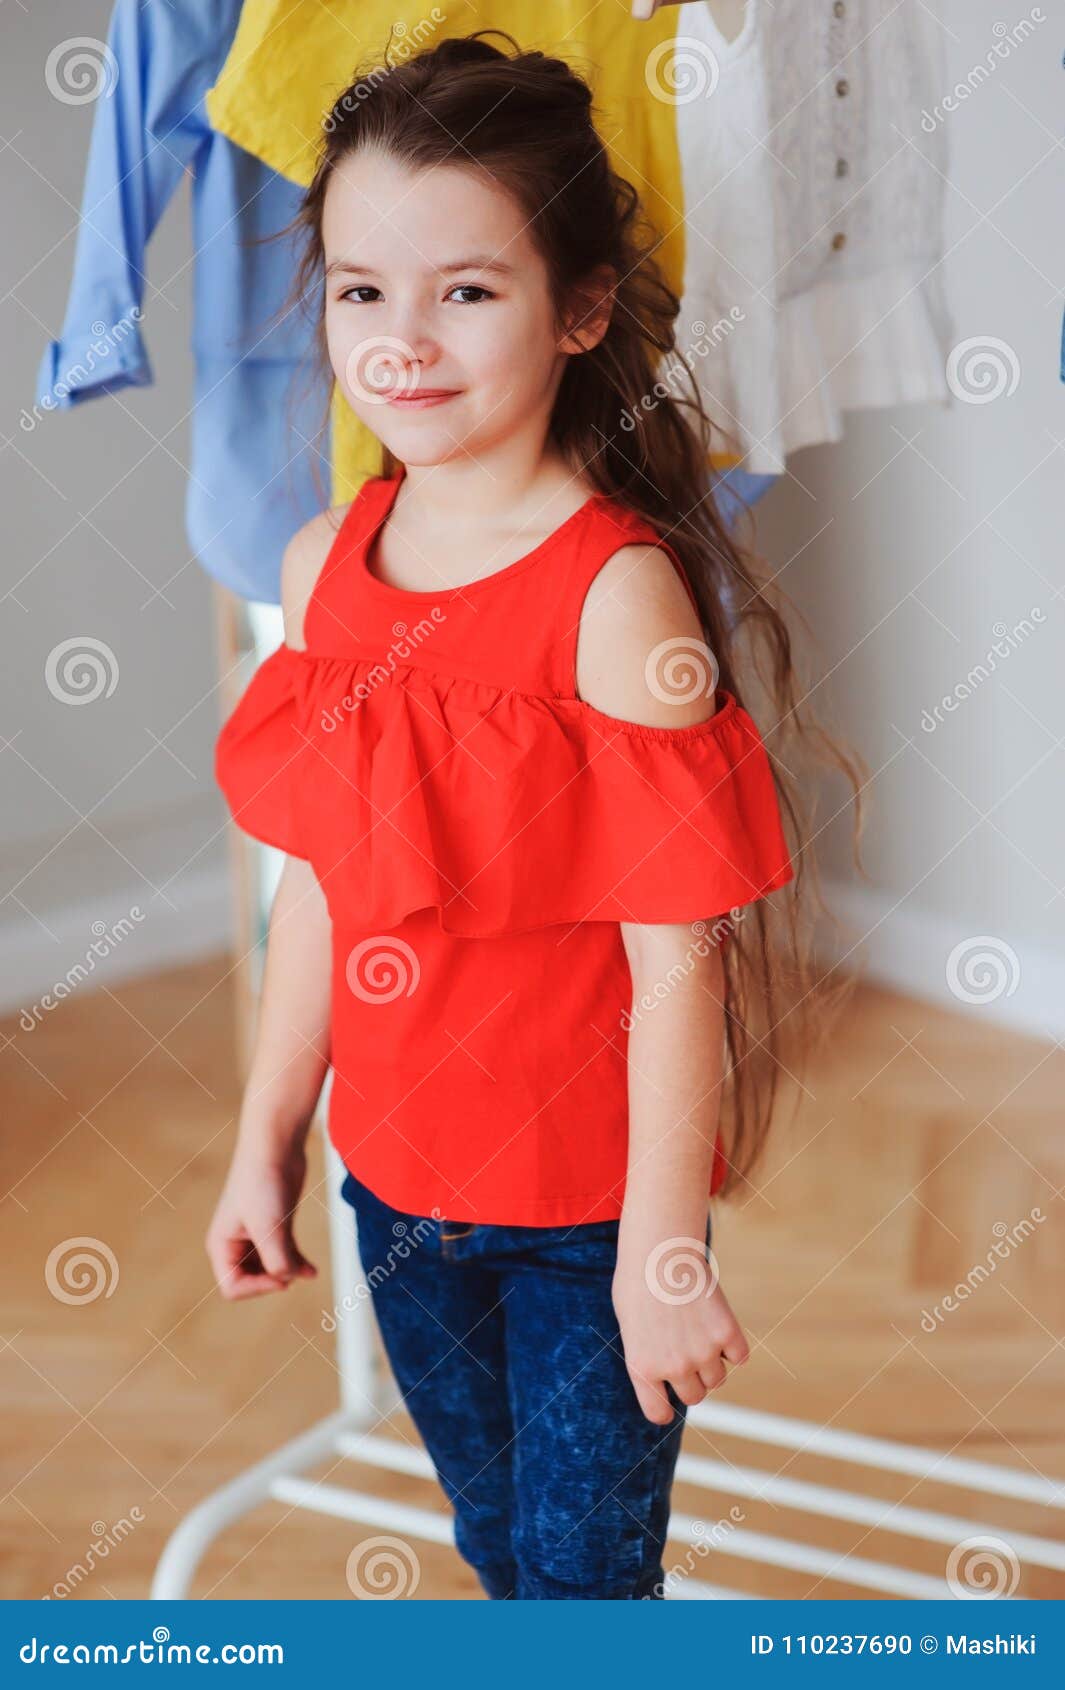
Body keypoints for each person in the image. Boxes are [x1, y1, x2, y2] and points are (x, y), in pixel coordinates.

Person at [207, 31, 837, 1600]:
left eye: (464, 290)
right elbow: (327, 890)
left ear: (579, 310)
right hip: (399, 1195)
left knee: (581, 1588)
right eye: (361, 289)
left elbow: (680, 961)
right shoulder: (323, 568)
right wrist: (262, 1137)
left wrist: (658, 1250)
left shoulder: (616, 598)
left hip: (579, 1219)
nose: (400, 339)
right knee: (501, 1558)